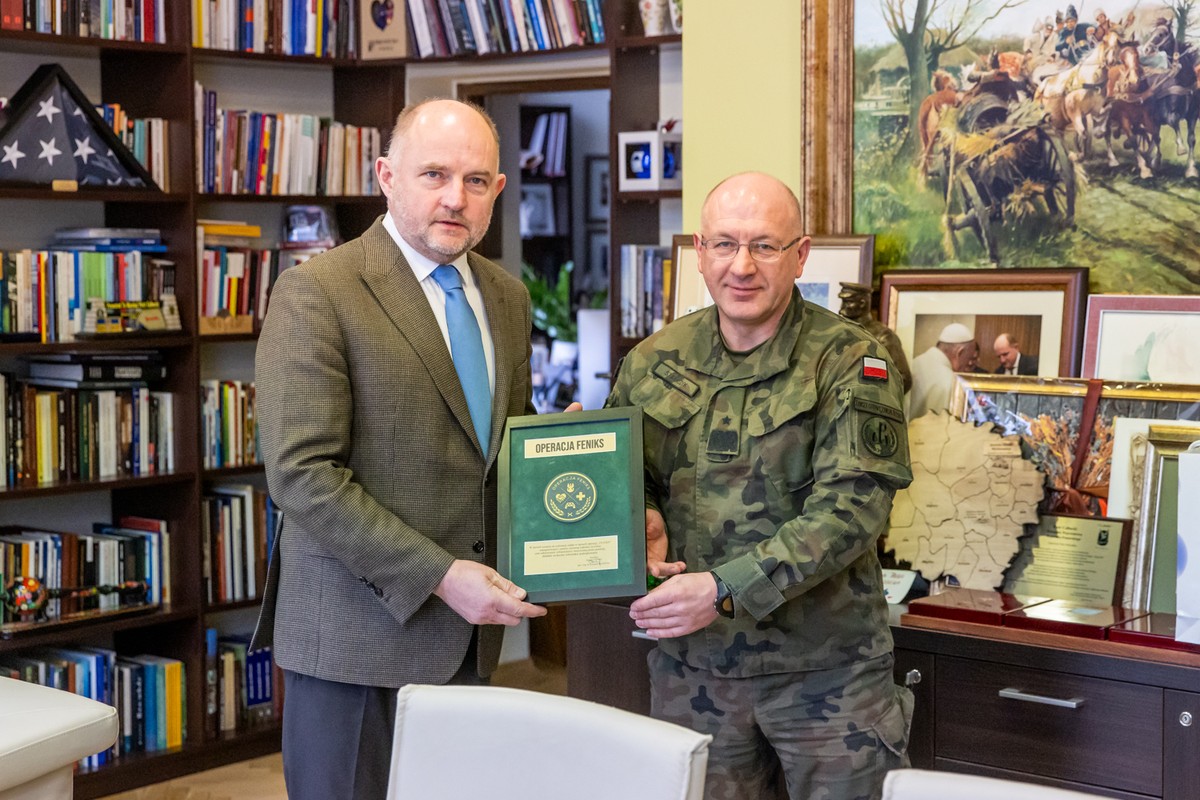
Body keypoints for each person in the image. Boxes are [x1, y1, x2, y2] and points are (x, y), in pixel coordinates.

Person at [250, 98, 548, 800]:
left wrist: (560, 462)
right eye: (434, 174)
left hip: (470, 642)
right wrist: (442, 574)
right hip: (355, 642)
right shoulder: (317, 293)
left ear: (498, 192)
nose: (455, 197)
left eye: (477, 181)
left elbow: (501, 451)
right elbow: (303, 475)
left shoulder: (505, 297)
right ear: (387, 175)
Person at [609, 172, 914, 800]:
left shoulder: (853, 361)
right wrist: (637, 515)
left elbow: (852, 510)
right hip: (693, 674)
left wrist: (723, 588)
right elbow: (619, 474)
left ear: (800, 255)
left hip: (827, 678)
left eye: (765, 246)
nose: (741, 266)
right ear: (700, 252)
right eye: (724, 245)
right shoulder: (652, 360)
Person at [837, 281, 914, 393]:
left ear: (862, 303)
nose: (842, 308)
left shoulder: (882, 336)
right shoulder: (839, 332)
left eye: (848, 302)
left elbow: (904, 380)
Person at [906, 322, 978, 419]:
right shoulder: (952, 383)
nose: (969, 364)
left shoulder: (913, 363)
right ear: (959, 353)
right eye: (968, 358)